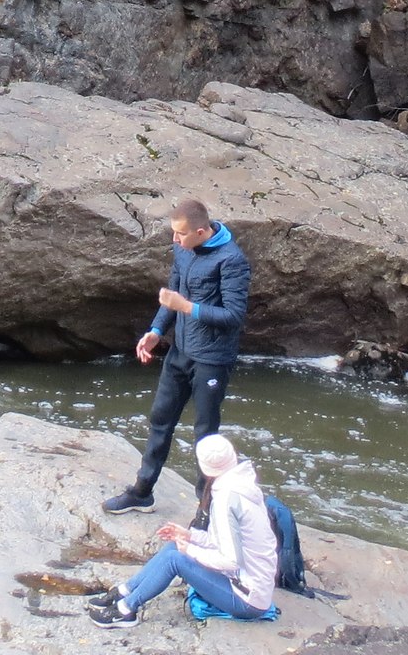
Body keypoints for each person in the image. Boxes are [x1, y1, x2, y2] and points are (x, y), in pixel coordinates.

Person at [101, 196, 249, 516]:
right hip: (180, 351)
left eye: (180, 234)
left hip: (212, 358)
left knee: (205, 435)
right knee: (160, 419)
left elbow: (234, 316)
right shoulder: (183, 251)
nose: (175, 240)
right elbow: (172, 295)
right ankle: (142, 491)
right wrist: (156, 331)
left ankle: (206, 509)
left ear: (201, 231)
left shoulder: (232, 260)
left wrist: (188, 308)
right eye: (174, 233)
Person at [86, 432, 278, 628]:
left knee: (175, 559)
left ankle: (126, 610)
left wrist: (190, 550)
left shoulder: (227, 501)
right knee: (173, 547)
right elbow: (225, 543)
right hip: (250, 587)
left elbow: (230, 560)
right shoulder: (241, 485)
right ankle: (124, 591)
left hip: (248, 599)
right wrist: (189, 536)